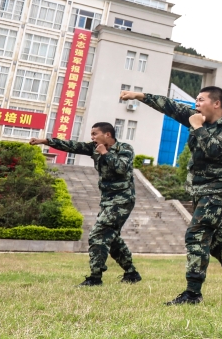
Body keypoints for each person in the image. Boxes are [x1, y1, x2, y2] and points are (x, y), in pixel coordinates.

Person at [122, 87, 222, 304]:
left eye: (201, 100)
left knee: (196, 235)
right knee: (217, 241)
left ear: (216, 103)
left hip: (219, 190)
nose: (196, 104)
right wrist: (140, 96)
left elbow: (215, 150)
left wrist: (198, 127)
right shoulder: (196, 118)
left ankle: (193, 293)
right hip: (200, 190)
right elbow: (170, 106)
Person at [31, 123, 141, 287]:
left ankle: (95, 278)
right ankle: (131, 273)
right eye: (91, 134)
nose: (92, 137)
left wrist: (105, 153)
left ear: (108, 134)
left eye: (95, 134)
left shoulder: (125, 148)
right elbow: (72, 146)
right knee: (112, 237)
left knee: (98, 235)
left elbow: (122, 168)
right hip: (107, 200)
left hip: (122, 199)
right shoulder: (93, 147)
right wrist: (45, 141)